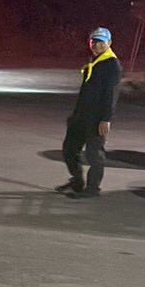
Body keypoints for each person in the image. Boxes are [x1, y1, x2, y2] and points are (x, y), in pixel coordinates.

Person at [57, 27, 122, 198]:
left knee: (94, 155)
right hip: (81, 115)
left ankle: (93, 189)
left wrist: (106, 119)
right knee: (70, 149)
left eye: (101, 42)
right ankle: (77, 181)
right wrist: (75, 115)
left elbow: (111, 95)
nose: (96, 45)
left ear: (109, 43)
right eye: (93, 41)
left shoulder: (112, 65)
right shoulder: (94, 61)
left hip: (97, 118)